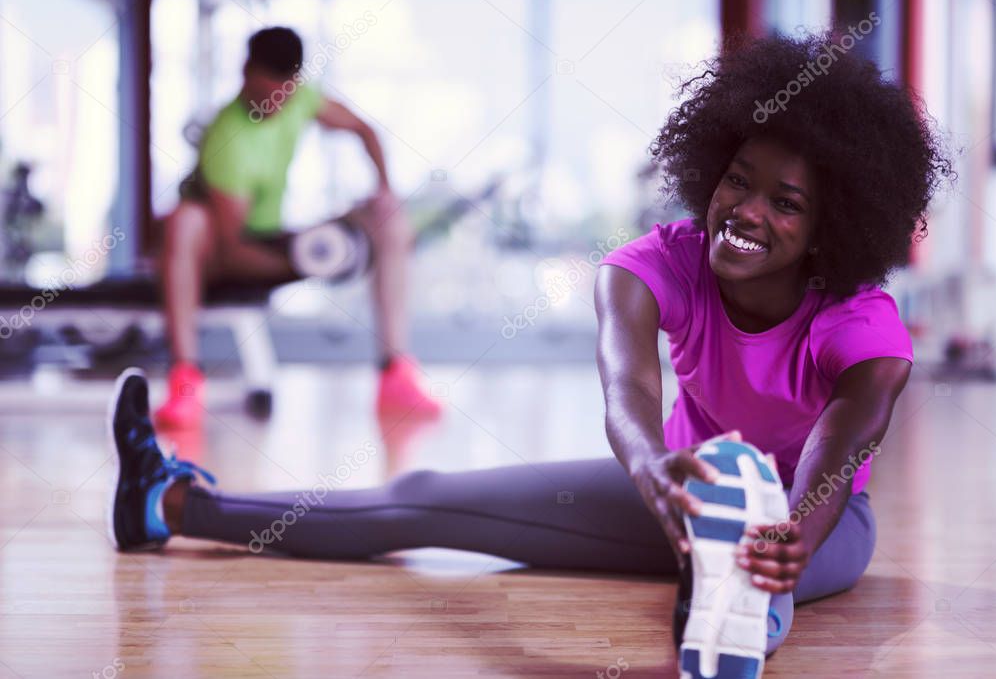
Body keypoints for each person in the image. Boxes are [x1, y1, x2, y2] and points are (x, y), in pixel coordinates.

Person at [109, 33, 949, 676]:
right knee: (427, 497)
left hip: (820, 524)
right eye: (737, 179)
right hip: (679, 484)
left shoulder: (857, 320)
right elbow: (625, 386)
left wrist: (795, 532)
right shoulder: (657, 263)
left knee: (748, 555)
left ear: (829, 229)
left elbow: (849, 437)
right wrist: (653, 467)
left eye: (786, 201)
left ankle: (738, 604)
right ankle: (171, 503)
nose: (746, 209)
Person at [156, 26, 440, 427]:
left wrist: (384, 189)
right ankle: (185, 378)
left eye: (285, 89)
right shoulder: (227, 138)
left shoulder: (301, 98)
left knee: (389, 219)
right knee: (185, 221)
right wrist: (308, 261)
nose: (277, 99)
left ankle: (396, 373)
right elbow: (234, 248)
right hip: (227, 248)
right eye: (269, 86)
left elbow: (365, 130)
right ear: (246, 71)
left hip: (279, 237)